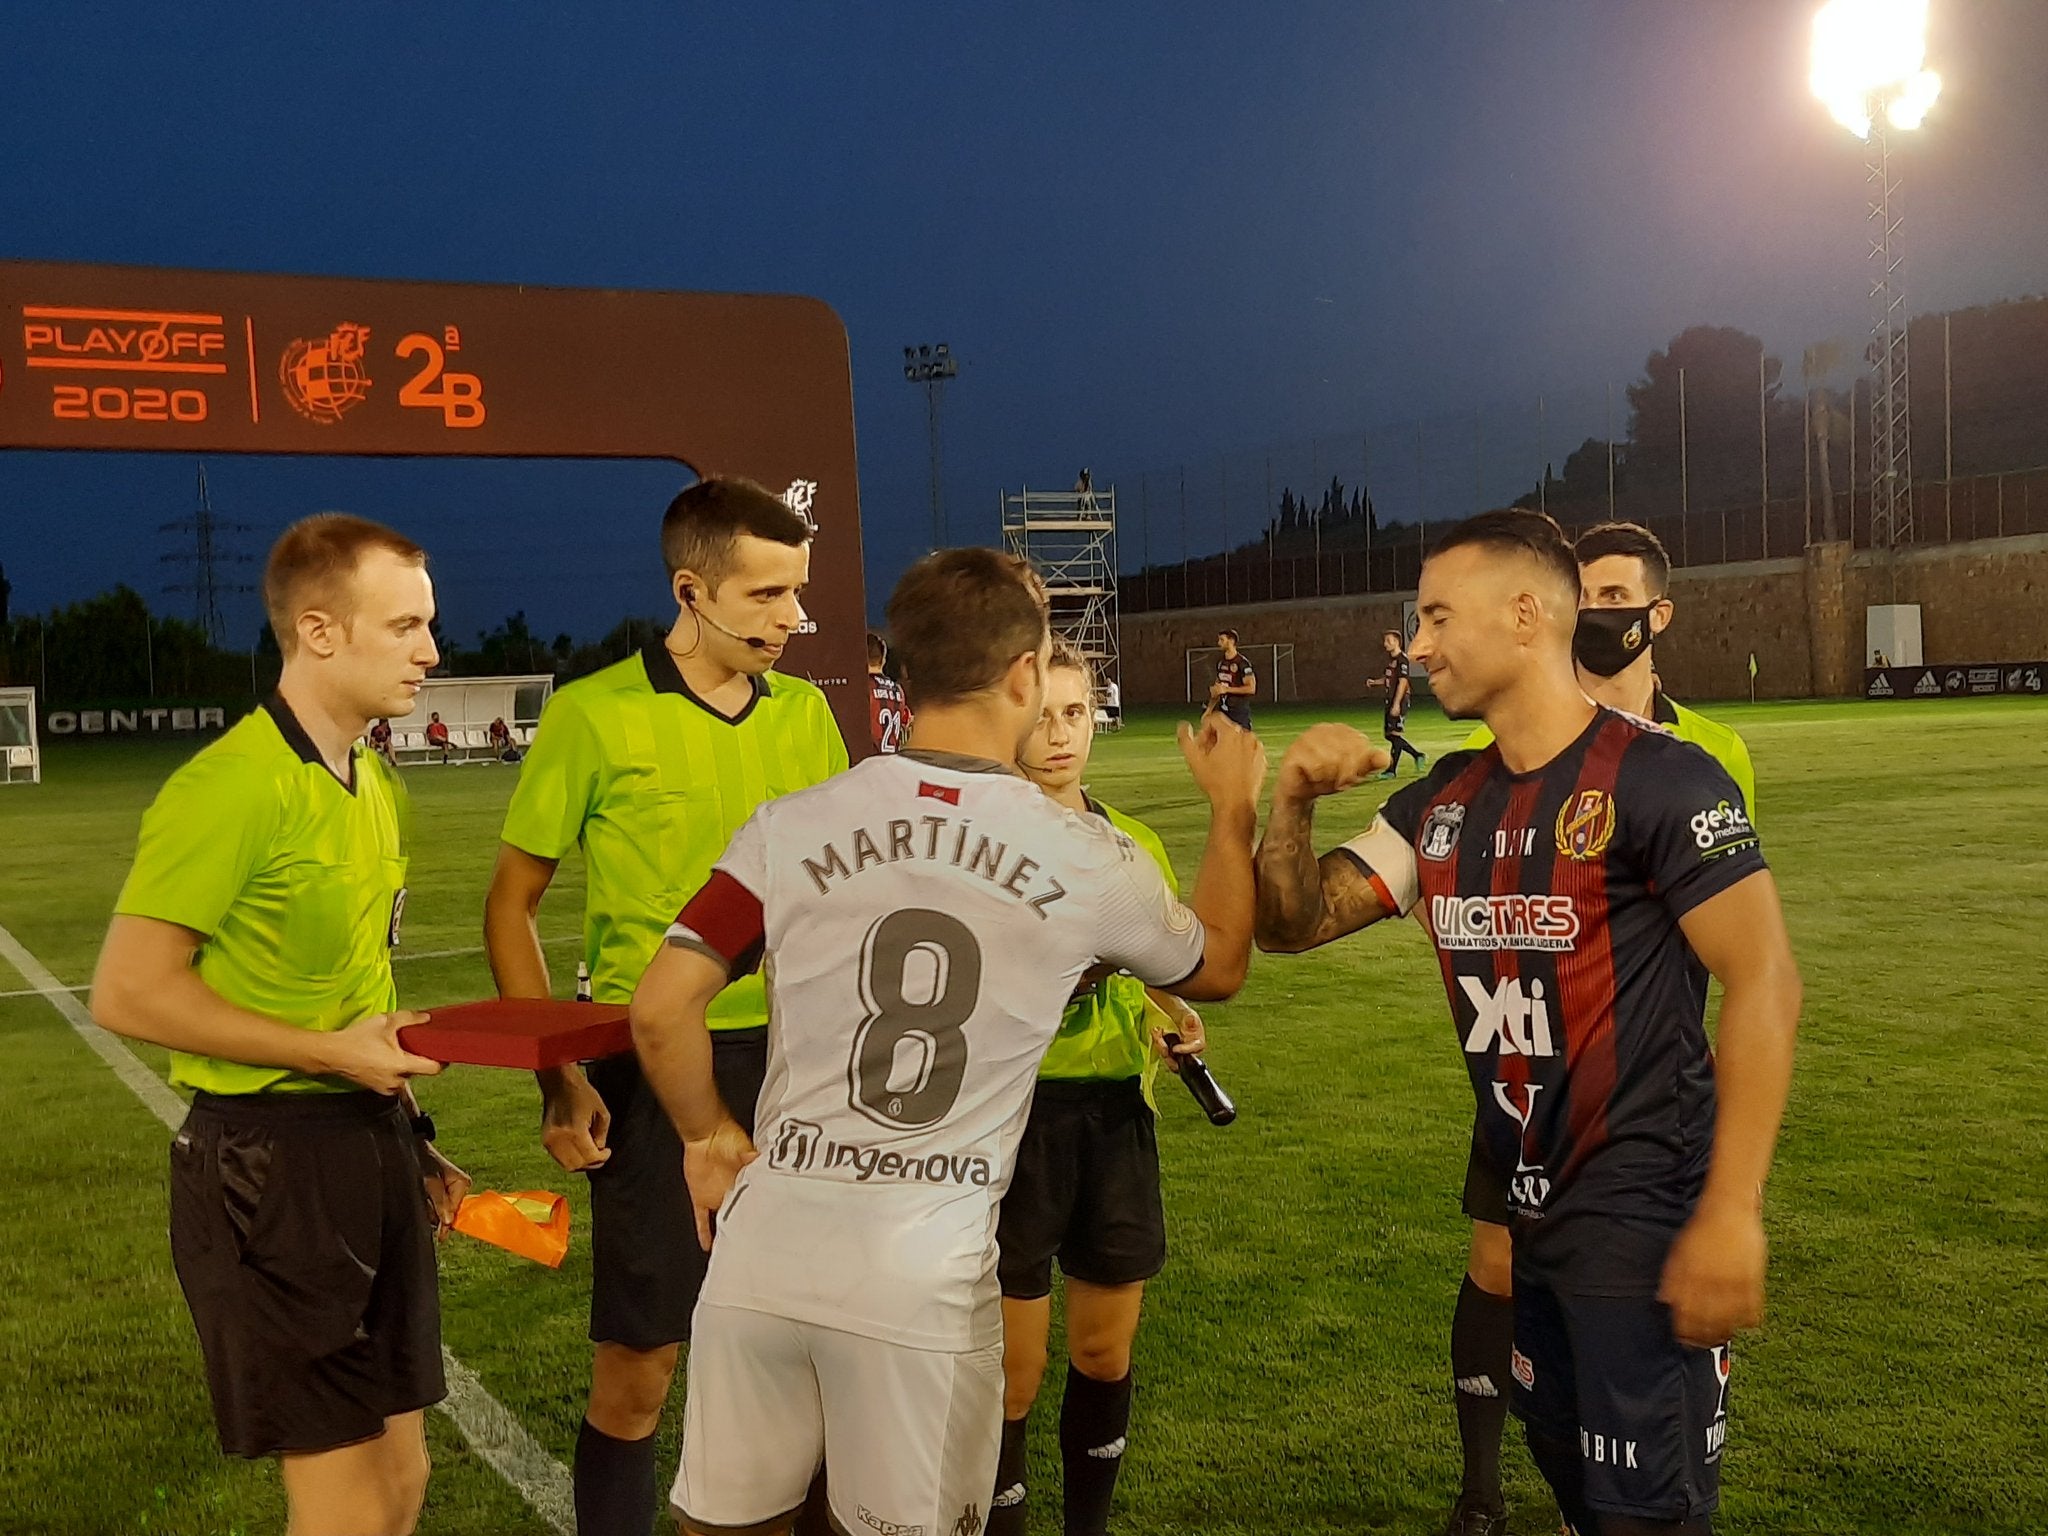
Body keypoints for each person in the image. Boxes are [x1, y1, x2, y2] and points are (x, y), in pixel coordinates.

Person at [629, 547, 1265, 1536]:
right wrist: (1230, 811)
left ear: (900, 679)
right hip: (920, 1279)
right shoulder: (1084, 855)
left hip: (762, 1254)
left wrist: (706, 1138)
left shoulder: (790, 825)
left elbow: (661, 1008)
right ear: (1022, 676)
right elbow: (1217, 967)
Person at [1254, 509, 1801, 1536]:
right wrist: (1286, 803)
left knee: (1648, 1514)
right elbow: (1294, 924)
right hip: (1527, 1216)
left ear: (1518, 616)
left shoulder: (1663, 777)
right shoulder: (1442, 802)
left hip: (1643, 1215)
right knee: (1574, 1497)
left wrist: (1731, 1208)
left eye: (1433, 617)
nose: (1413, 648)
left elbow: (1763, 978)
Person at [483, 477, 848, 1536]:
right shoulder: (594, 714)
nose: (792, 617)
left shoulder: (807, 716)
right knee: (639, 1374)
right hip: (649, 1073)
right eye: (767, 594)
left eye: (798, 594)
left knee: (810, 1355)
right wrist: (556, 1077)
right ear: (690, 589)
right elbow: (512, 905)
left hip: (797, 1071)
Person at [89, 514, 467, 1536]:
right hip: (267, 1168)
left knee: (398, 1487)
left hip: (365, 1144)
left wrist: (413, 1138)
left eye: (428, 624)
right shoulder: (229, 787)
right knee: (340, 1505)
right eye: (405, 627)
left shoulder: (376, 786)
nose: (432, 651)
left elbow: (350, 994)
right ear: (320, 630)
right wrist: (326, 1055)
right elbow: (126, 992)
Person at [1443, 521, 1759, 1531]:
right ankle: (1483, 1484)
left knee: (1644, 1411)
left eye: (1618, 597)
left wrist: (1725, 1189)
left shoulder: (1700, 758)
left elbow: (1736, 948)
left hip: (1646, 1098)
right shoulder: (1483, 758)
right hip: (1526, 1085)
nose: (1601, 613)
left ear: (1654, 614)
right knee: (1499, 1271)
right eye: (1588, 593)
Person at [989, 638, 1208, 1536]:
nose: (1059, 735)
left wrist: (1173, 1013)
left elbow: (1161, 961)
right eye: (1040, 715)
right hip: (1012, 1121)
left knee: (1103, 1351)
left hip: (1116, 1115)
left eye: (1075, 713)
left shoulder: (1132, 843)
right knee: (1011, 1371)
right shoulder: (980, 844)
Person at [1367, 629, 1428, 777]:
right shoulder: (1392, 661)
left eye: (1389, 640)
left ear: (1397, 642)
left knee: (1394, 735)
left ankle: (1402, 764)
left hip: (1399, 701)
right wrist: (1375, 682)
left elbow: (1403, 682)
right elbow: (1389, 679)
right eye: (1385, 641)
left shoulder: (1402, 660)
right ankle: (1401, 764)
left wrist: (1396, 704)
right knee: (1390, 735)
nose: (1385, 644)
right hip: (1391, 700)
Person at [867, 630, 910, 754]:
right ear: (883, 660)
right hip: (891, 761)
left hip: (868, 762)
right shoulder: (898, 690)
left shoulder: (863, 687)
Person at [1209, 628, 1255, 729]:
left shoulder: (1242, 663)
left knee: (1242, 743)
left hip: (1239, 712)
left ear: (1231, 641)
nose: (1218, 643)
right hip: (1224, 712)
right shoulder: (1221, 663)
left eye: (1222, 640)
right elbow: (1218, 687)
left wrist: (1227, 690)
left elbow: (1251, 688)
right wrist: (1209, 710)